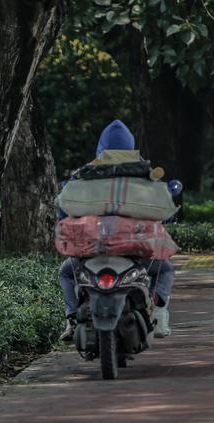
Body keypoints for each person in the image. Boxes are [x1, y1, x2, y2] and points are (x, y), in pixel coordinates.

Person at [59, 119, 175, 342]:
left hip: (93, 250)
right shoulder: (143, 174)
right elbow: (163, 209)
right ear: (130, 146)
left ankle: (72, 319)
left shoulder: (84, 174)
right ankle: (158, 313)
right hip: (134, 251)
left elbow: (65, 208)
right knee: (166, 269)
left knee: (66, 272)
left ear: (101, 147)